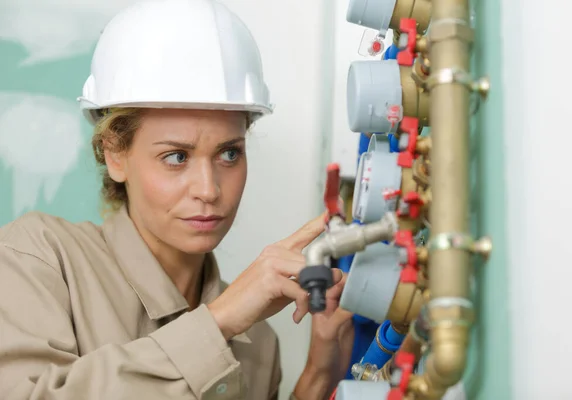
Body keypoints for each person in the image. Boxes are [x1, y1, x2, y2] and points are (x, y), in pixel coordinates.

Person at [0, 0, 355, 399]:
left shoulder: (259, 342)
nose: (209, 189)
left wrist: (317, 378)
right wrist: (216, 324)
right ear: (115, 153)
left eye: (229, 153)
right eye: (176, 157)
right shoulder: (39, 259)